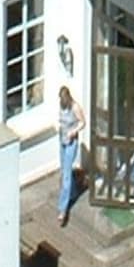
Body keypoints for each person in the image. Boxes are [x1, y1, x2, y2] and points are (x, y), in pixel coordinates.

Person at [56, 86, 82, 226]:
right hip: (62, 140)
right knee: (65, 171)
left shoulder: (75, 107)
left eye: (64, 99)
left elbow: (82, 122)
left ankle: (63, 210)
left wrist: (74, 132)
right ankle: (73, 192)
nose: (62, 102)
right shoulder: (61, 105)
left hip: (71, 142)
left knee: (66, 176)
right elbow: (61, 119)